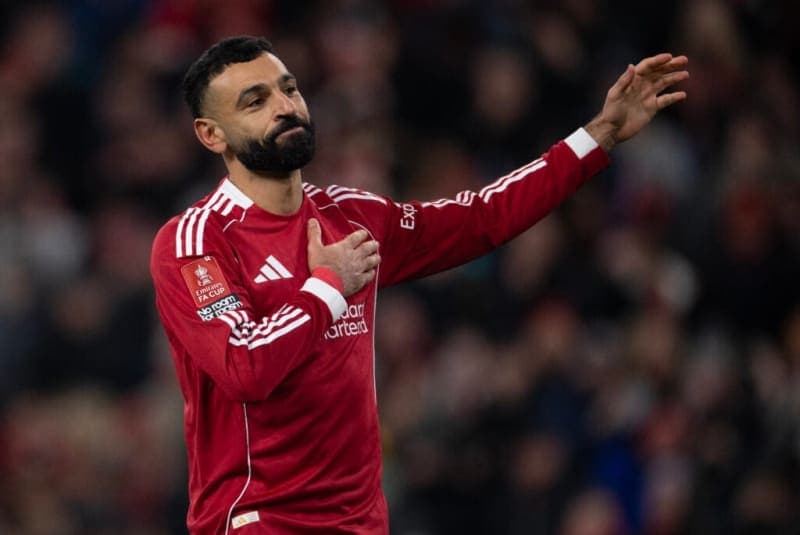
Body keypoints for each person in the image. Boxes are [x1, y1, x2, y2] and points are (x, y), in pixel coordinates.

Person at [150, 35, 688, 534]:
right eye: (255, 101)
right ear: (211, 134)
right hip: (260, 522)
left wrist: (600, 134)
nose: (285, 106)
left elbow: (483, 217)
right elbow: (245, 366)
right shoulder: (194, 242)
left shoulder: (351, 216)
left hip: (362, 523)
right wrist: (328, 286)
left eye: (288, 88)